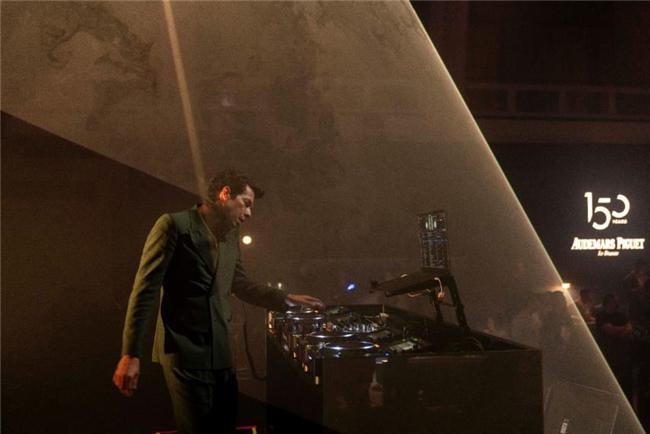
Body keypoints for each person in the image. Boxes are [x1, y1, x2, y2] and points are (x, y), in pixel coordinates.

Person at [112, 170, 325, 434]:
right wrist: (130, 354)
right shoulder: (173, 226)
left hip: (222, 354)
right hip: (184, 352)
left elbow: (240, 283)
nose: (249, 213)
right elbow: (145, 290)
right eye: (246, 203)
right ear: (225, 194)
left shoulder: (230, 235)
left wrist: (286, 298)